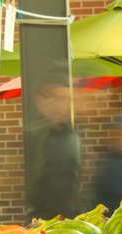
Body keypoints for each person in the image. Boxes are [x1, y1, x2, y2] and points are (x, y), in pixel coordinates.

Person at [25, 83, 81, 221]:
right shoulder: (32, 136)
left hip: (67, 218)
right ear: (41, 101)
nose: (64, 106)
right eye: (58, 99)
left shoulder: (71, 135)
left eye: (68, 99)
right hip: (41, 219)